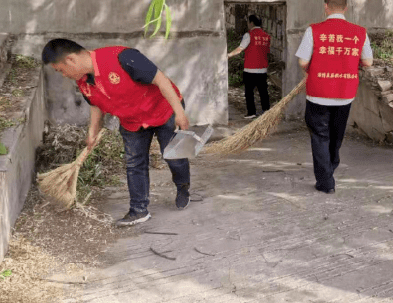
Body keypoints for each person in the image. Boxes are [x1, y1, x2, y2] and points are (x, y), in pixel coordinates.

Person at [41, 39, 191, 226]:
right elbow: (96, 105)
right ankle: (139, 210)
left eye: (60, 70)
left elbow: (160, 79)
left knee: (173, 158)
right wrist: (92, 132)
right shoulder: (83, 81)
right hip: (132, 121)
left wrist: (180, 113)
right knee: (134, 163)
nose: (63, 75)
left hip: (163, 110)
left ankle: (183, 186)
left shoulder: (122, 58)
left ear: (71, 60)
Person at [296, 0, 373, 194]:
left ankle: (326, 181)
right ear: (346, 7)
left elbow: (303, 61)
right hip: (345, 94)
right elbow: (367, 61)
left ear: (325, 7)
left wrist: (313, 69)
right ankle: (329, 168)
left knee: (320, 136)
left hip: (318, 92)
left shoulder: (314, 30)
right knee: (336, 136)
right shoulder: (360, 32)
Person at [227, 15, 271, 119]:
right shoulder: (267, 36)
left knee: (249, 92)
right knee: (263, 92)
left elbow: (240, 49)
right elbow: (266, 51)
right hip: (263, 69)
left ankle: (251, 112)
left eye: (248, 22)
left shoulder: (249, 34)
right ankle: (267, 111)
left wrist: (228, 55)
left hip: (250, 69)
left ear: (251, 23)